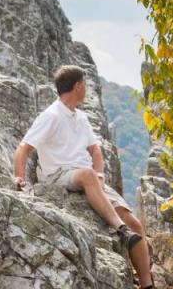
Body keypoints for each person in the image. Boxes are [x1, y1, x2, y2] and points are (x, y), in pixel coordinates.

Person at [13, 65, 156, 289]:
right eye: (85, 85)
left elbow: (96, 151)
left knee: (136, 224)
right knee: (89, 176)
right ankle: (121, 230)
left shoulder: (80, 117)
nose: (87, 89)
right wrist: (19, 178)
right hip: (57, 174)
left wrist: (99, 175)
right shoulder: (51, 115)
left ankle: (147, 284)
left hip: (85, 176)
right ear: (78, 86)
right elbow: (23, 148)